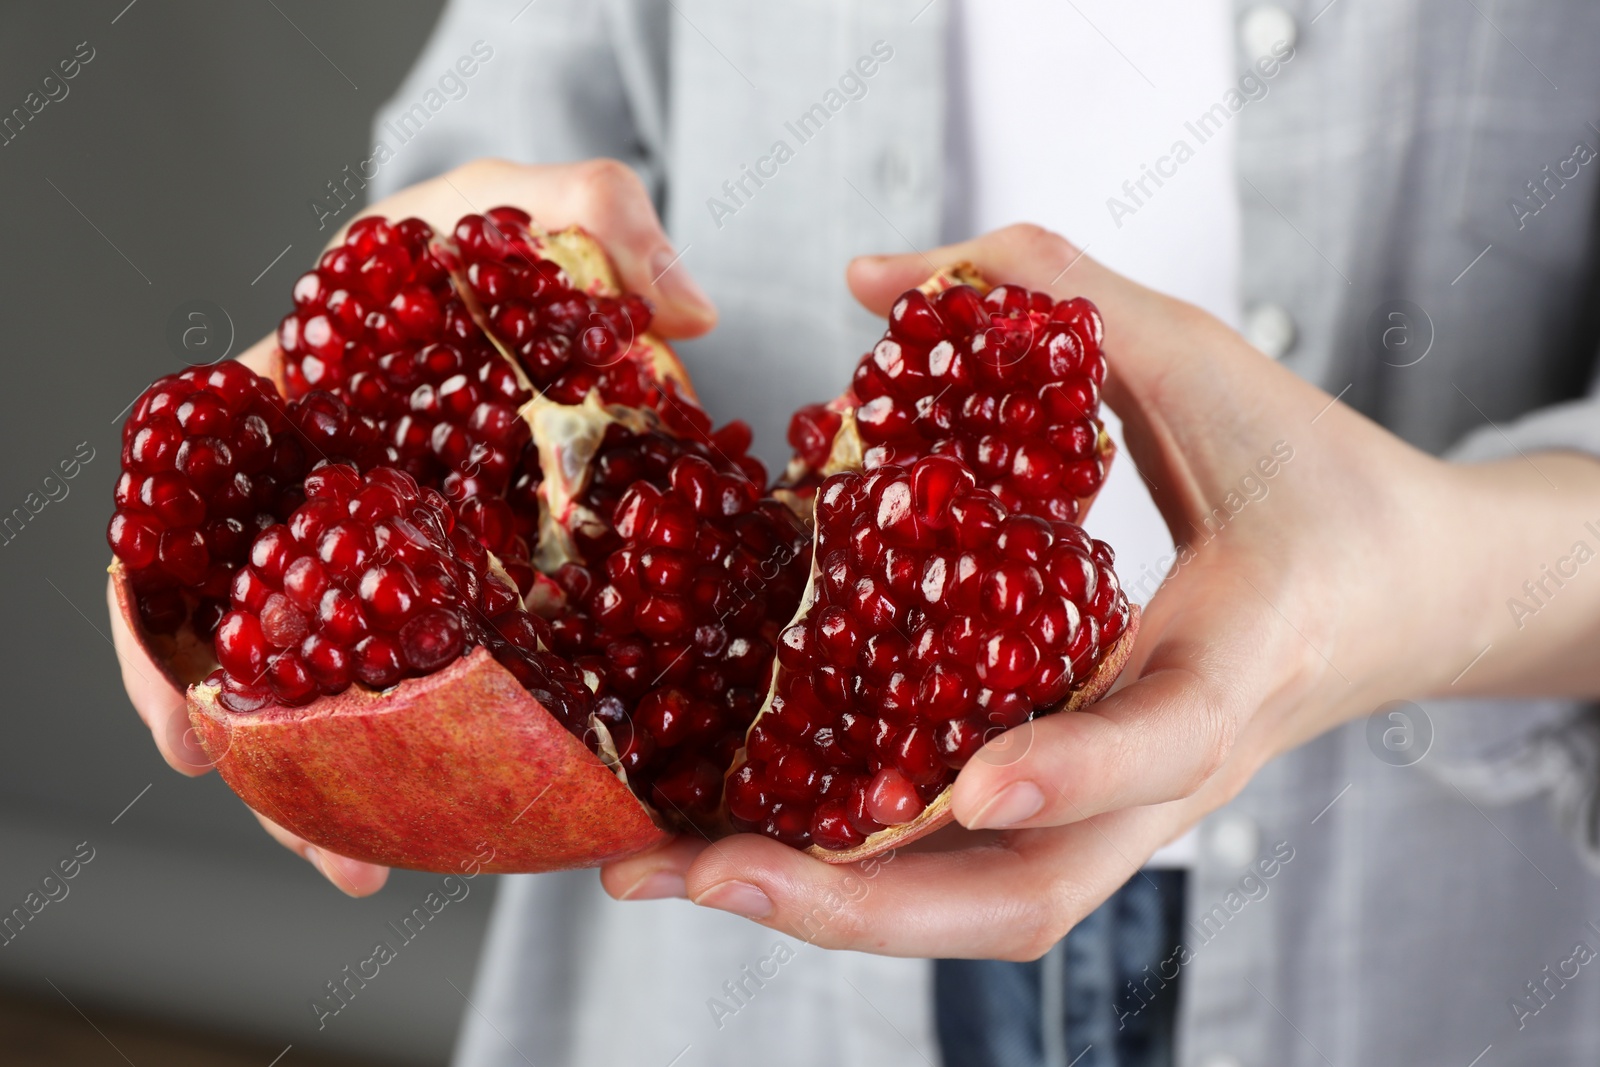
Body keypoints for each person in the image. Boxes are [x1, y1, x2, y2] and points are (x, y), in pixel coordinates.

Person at [111, 1, 1600, 1065]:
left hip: (1450, 959)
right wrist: (428, 321)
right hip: (723, 995)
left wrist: (1437, 583)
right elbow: (516, 104)